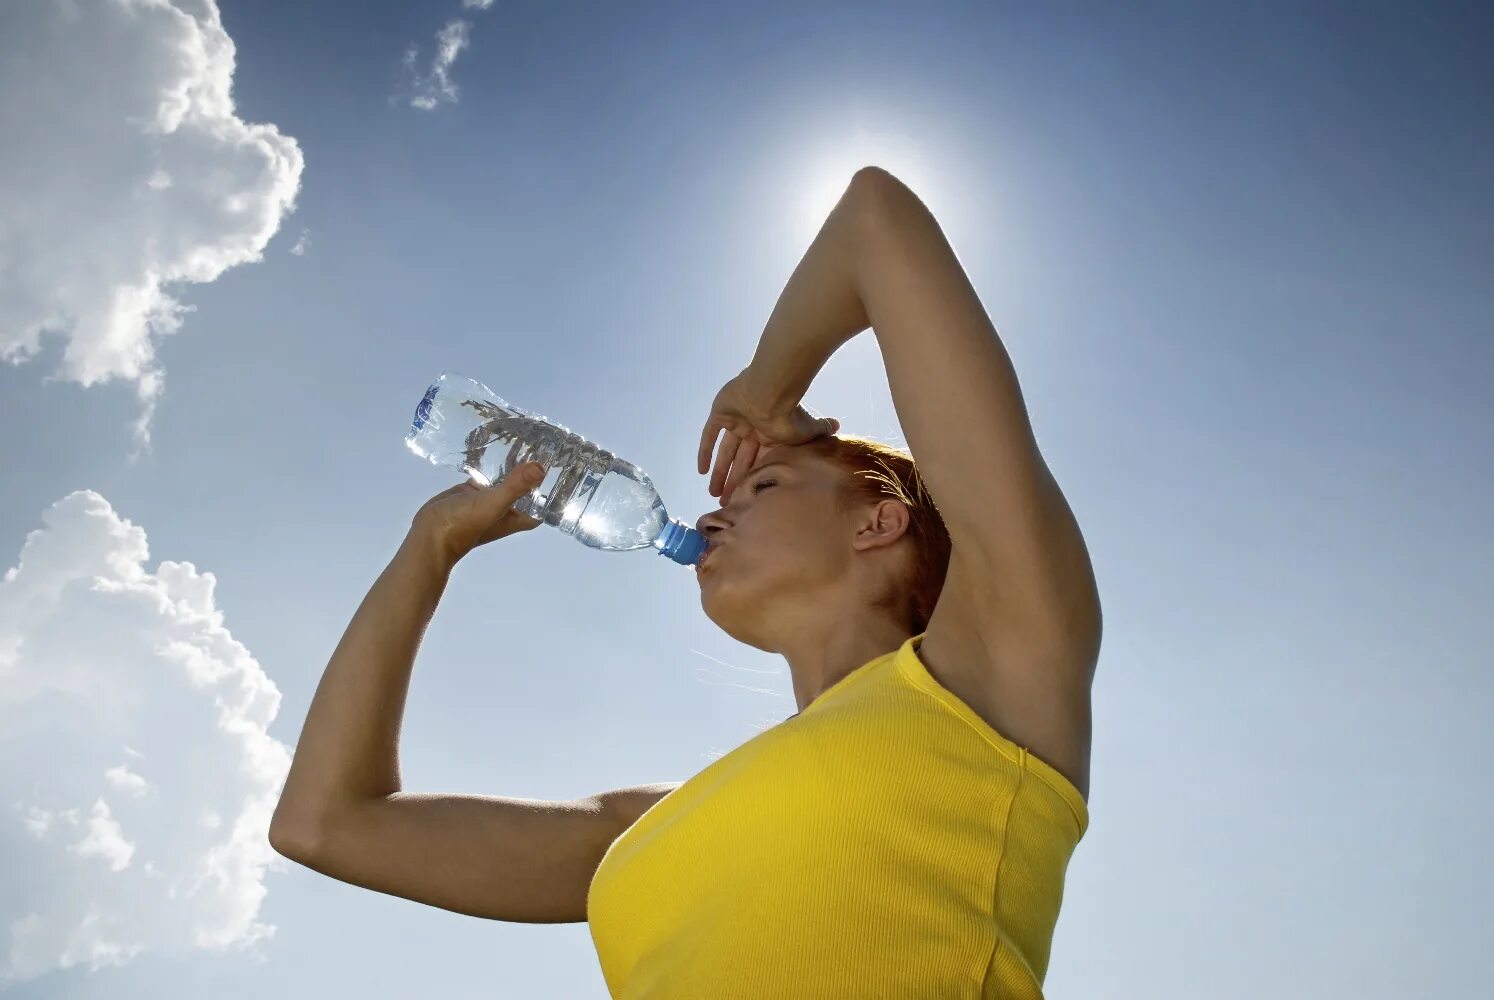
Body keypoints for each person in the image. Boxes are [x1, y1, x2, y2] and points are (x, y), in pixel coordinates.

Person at [270, 166, 1101, 999]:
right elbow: (327, 824)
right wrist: (430, 548)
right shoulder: (650, 826)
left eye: (763, 486)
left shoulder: (995, 669)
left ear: (879, 522)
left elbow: (876, 219)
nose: (708, 518)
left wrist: (770, 390)